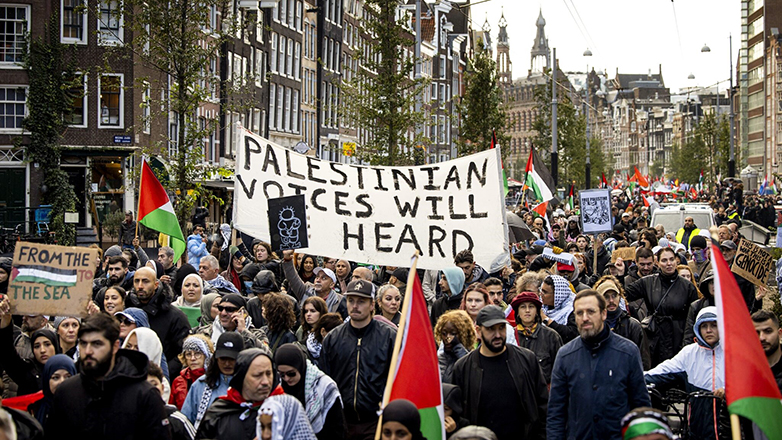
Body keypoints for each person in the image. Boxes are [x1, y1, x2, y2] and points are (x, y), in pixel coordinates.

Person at [45, 313, 170, 440]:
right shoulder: (66, 392)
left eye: (97, 344)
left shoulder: (144, 395)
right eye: (83, 343)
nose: (88, 351)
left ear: (115, 346)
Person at [547, 289, 650, 440]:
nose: (585, 318)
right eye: (579, 313)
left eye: (591, 312)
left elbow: (641, 407)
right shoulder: (565, 356)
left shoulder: (628, 352)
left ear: (603, 314)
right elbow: (556, 412)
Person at [449, 305, 548, 440]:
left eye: (501, 328)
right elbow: (458, 412)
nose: (497, 335)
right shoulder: (463, 367)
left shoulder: (526, 359)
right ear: (478, 331)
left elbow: (543, 405)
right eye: (491, 329)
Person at [320, 280, 397, 440]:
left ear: (372, 305)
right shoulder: (333, 339)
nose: (355, 306)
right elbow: (325, 381)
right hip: (342, 423)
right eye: (351, 300)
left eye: (361, 301)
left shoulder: (389, 338)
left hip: (376, 422)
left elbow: (398, 378)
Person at [645, 307, 725, 440]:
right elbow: (664, 370)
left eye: (714, 325)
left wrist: (726, 390)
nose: (708, 330)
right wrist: (635, 377)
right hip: (697, 426)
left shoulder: (732, 353)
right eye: (704, 326)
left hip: (727, 425)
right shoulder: (689, 353)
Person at [624, 247, 699, 366]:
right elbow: (624, 294)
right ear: (657, 263)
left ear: (676, 261)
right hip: (655, 341)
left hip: (678, 339)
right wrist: (619, 275)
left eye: (671, 259)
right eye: (664, 260)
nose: (669, 263)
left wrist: (687, 344)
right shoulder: (648, 282)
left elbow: (693, 318)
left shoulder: (688, 287)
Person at [195, 346, 284, 440]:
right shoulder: (218, 414)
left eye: (269, 374)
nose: (265, 382)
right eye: (258, 375)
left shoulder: (285, 410)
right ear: (241, 377)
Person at [127, 266, 191, 379]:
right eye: (137, 281)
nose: (140, 286)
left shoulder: (175, 316)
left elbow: (182, 353)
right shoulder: (127, 313)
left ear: (156, 284)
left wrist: (161, 373)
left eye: (145, 281)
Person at [274, 344, 345, 440]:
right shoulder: (279, 386)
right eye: (282, 374)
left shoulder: (324, 386)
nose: (286, 378)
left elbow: (337, 427)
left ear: (300, 367)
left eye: (291, 373)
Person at [181, 332, 243, 428]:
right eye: (223, 359)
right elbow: (186, 424)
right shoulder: (200, 385)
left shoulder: (250, 386)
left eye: (232, 359)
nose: (227, 363)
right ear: (216, 359)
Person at [0, 298, 59, 395]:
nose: (42, 350)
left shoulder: (66, 368)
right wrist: (6, 320)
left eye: (47, 344)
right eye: (37, 346)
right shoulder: (27, 372)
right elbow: (7, 355)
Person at [593, 277, 651, 369]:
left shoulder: (633, 326)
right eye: (606, 297)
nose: (611, 300)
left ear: (620, 297)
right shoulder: (593, 326)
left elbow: (643, 361)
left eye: (614, 296)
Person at [510, 292, 562, 384]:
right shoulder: (510, 335)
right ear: (517, 312)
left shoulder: (551, 336)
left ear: (537, 311)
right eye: (523, 307)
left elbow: (560, 369)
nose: (527, 310)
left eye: (531, 307)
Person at [282, 250, 347, 318]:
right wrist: (288, 260)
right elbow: (292, 278)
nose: (318, 280)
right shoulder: (306, 290)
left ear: (332, 284)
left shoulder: (340, 301)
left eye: (323, 278)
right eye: (317, 277)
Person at [193, 294, 267, 348]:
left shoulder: (256, 334)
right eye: (220, 308)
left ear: (242, 312)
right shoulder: (204, 332)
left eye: (229, 309)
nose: (223, 313)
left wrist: (244, 332)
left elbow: (266, 353)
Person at [146, 362, 197, 440]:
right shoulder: (130, 419)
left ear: (162, 388)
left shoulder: (176, 419)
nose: (150, 389)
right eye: (145, 385)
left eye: (154, 384)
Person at [29, 354, 76, 427]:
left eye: (68, 377)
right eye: (56, 378)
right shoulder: (37, 409)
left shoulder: (82, 409)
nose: (62, 382)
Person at [170, 335, 213, 410]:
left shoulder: (215, 379)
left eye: (197, 353)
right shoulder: (178, 381)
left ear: (207, 355)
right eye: (188, 354)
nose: (193, 358)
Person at [434, 310, 476, 383]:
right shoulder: (438, 360)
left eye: (453, 334)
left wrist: (458, 350)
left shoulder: (473, 359)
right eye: (444, 333)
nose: (448, 338)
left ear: (464, 334)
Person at [539, 275, 578, 343]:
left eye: (545, 292)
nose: (541, 294)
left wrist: (546, 319)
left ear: (557, 294)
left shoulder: (572, 309)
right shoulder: (543, 307)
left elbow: (572, 334)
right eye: (541, 290)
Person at [752, 310, 782, 392]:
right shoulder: (744, 372)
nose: (761, 338)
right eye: (756, 333)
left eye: (768, 331)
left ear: (779, 334)